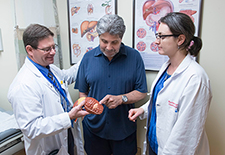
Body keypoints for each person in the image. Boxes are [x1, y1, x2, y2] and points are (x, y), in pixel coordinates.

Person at [128, 12, 212, 155]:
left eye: (162, 36)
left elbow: (185, 135)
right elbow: (163, 103)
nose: (156, 41)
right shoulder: (167, 66)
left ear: (180, 39)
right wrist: (144, 109)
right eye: (157, 36)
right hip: (155, 145)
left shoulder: (195, 78)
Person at [7, 24, 89, 155]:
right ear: (29, 50)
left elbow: (66, 77)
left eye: (53, 47)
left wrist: (86, 58)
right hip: (48, 148)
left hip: (66, 134)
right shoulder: (23, 85)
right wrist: (68, 117)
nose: (53, 52)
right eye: (46, 49)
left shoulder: (49, 68)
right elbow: (31, 128)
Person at [74, 14, 148, 155]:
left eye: (114, 42)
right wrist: (86, 117)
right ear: (98, 36)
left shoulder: (134, 57)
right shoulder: (88, 58)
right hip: (93, 130)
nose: (108, 47)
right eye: (104, 41)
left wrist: (121, 99)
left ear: (121, 38)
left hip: (124, 131)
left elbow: (142, 91)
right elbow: (83, 93)